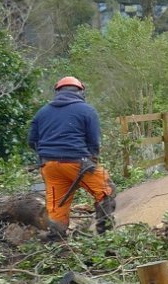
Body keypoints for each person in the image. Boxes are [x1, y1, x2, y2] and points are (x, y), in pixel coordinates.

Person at [27, 76, 115, 240]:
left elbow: (32, 141)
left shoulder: (42, 112)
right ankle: (106, 236)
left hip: (50, 167)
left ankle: (57, 240)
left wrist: (46, 155)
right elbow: (94, 141)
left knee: (57, 206)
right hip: (78, 163)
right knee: (106, 192)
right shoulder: (87, 110)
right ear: (81, 91)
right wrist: (92, 159)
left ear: (57, 91)